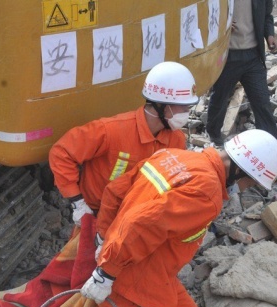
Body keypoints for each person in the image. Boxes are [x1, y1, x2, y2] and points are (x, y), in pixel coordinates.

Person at [72, 129, 277, 307]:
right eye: (252, 181)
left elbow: (116, 191)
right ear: (239, 170)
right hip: (132, 281)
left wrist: (104, 236)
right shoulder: (207, 193)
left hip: (147, 270)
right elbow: (141, 224)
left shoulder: (174, 156)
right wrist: (106, 272)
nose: (248, 187)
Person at [49, 61, 198, 272]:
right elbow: (62, 153)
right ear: (162, 105)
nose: (187, 112)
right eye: (184, 107)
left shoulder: (176, 141)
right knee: (75, 274)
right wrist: (77, 201)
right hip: (95, 217)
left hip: (133, 224)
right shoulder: (112, 131)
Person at [205, 0, 277, 145]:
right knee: (219, 98)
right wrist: (220, 24)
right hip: (227, 57)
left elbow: (267, 16)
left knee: (262, 101)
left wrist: (269, 35)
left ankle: (271, 142)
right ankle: (214, 137)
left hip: (253, 56)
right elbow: (203, 16)